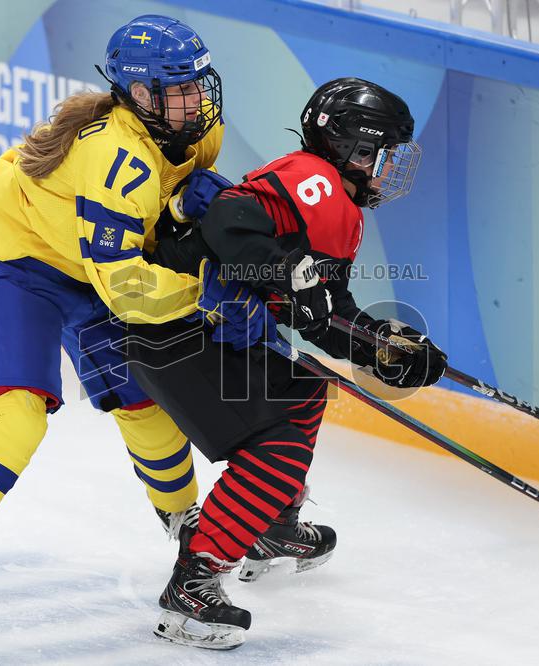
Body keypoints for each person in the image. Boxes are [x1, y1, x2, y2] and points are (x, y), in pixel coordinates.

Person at [0, 15, 237, 656]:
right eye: (175, 89)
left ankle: (189, 525)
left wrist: (188, 205)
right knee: (15, 416)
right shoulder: (116, 159)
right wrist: (207, 296)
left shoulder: (197, 130)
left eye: (197, 84)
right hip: (17, 266)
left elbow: (164, 206)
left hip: (92, 267)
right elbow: (126, 289)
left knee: (148, 404)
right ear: (138, 94)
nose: (195, 101)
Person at [125, 77, 448, 650]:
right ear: (349, 144)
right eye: (379, 153)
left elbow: (325, 312)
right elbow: (229, 222)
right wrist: (287, 274)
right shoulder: (315, 180)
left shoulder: (339, 205)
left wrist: (380, 344)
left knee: (302, 390)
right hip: (176, 328)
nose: (385, 169)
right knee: (276, 447)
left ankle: (268, 529)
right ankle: (195, 581)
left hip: (207, 330)